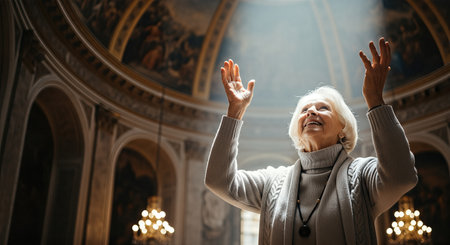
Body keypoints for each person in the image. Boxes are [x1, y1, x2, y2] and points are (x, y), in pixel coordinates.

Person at [204, 37, 418, 245]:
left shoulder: (362, 174)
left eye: (323, 108)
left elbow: (401, 176)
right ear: (296, 130)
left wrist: (375, 102)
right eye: (304, 110)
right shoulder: (273, 181)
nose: (311, 112)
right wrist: (235, 113)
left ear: (343, 128)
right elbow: (219, 181)